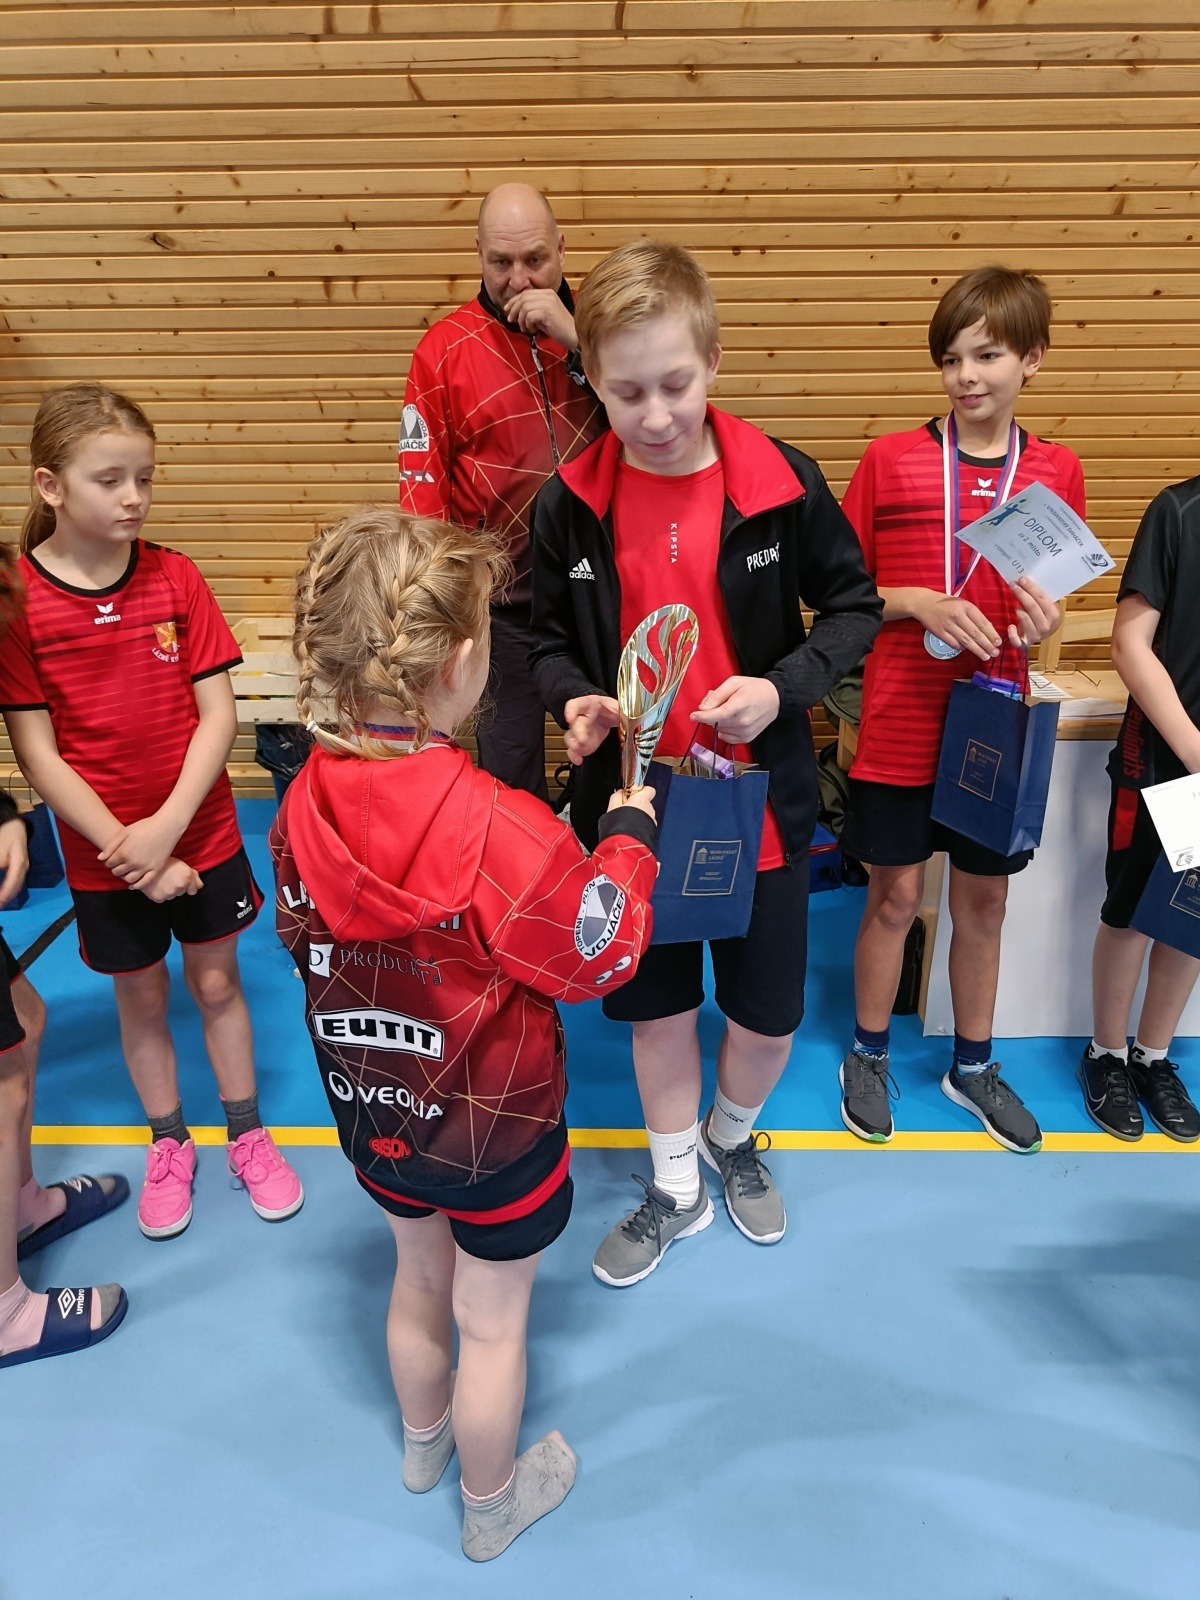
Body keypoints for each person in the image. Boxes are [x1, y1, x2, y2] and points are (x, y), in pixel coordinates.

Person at [273, 505, 657, 1560]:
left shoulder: (300, 802)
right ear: (459, 662)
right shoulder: (500, 824)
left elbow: (303, 935)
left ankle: (422, 1446)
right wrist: (627, 840)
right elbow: (599, 954)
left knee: (416, 1279)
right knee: (492, 1323)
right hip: (497, 1135)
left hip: (376, 1114)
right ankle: (490, 1508)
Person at [529, 240, 882, 1287]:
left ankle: (731, 1136)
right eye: (626, 391)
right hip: (637, 813)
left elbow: (854, 608)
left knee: (768, 1017)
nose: (654, 414)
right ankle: (678, 1183)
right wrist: (574, 698)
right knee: (659, 1012)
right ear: (592, 380)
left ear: (715, 361)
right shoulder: (568, 503)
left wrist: (783, 688)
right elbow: (543, 640)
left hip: (755, 811)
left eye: (675, 384)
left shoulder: (782, 482)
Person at [0, 384, 303, 1240]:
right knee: (139, 998)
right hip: (103, 854)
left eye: (144, 477)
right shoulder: (20, 601)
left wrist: (167, 831)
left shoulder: (175, 576)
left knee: (216, 984)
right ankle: (170, 1142)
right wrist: (126, 849)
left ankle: (247, 1133)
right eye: (110, 480)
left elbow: (218, 718)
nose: (133, 497)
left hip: (199, 833)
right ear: (51, 485)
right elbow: (38, 754)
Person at [837, 266, 1086, 1152]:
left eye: (987, 355)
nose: (967, 375)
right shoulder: (890, 461)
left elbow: (1048, 601)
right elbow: (843, 594)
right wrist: (917, 603)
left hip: (992, 719)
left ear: (1033, 360)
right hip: (903, 714)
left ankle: (971, 1065)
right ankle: (868, 1053)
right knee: (895, 896)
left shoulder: (1055, 471)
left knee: (984, 902)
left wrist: (1045, 621)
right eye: (952, 359)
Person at [398, 182, 604, 801]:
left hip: (599, 596)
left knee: (611, 763)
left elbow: (658, 415)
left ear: (562, 249)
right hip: (501, 611)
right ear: (479, 255)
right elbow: (422, 501)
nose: (519, 281)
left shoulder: (606, 326)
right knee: (508, 781)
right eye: (501, 263)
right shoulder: (441, 352)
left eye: (535, 260)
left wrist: (580, 338)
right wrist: (443, 613)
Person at [1080, 477, 1200, 1142]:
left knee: (1191, 916)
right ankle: (1105, 1054)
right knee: (1129, 913)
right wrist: (1194, 749)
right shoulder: (1177, 511)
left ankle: (1153, 1058)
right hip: (1162, 757)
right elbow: (1130, 644)